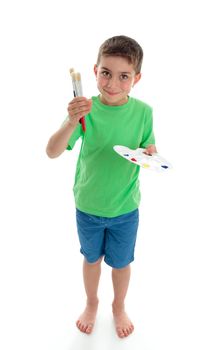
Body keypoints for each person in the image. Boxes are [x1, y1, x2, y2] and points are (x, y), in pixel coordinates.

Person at [46, 35, 157, 338]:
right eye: (106, 73)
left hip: (125, 208)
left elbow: (149, 149)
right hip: (88, 205)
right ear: (94, 71)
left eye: (124, 76)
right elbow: (52, 151)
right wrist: (71, 121)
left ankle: (118, 306)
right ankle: (91, 302)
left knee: (122, 264)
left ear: (137, 78)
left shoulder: (144, 112)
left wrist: (150, 153)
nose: (112, 84)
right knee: (91, 258)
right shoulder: (85, 109)